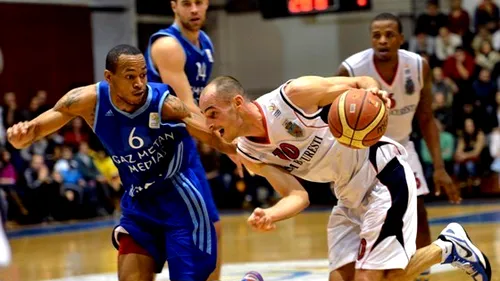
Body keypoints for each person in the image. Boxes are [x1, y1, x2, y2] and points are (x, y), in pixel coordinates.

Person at [199, 75, 491, 281]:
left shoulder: (293, 96)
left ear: (237, 103)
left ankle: (448, 248)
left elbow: (360, 83)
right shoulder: (249, 152)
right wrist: (270, 214)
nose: (209, 125)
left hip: (381, 174)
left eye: (212, 114)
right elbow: (298, 196)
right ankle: (450, 247)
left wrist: (375, 94)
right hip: (347, 194)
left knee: (371, 278)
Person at [6, 44, 257, 281]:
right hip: (139, 204)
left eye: (143, 75)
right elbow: (35, 130)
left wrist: (240, 150)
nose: (139, 83)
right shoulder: (87, 101)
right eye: (130, 76)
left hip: (179, 202)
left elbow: (208, 134)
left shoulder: (164, 104)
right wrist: (21, 137)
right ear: (109, 76)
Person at [336, 12, 461, 280]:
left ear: (401, 39)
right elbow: (332, 116)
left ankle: (421, 270)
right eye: (376, 35)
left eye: (389, 35)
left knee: (418, 213)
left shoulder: (418, 66)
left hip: (402, 147)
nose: (382, 40)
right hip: (362, 151)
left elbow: (426, 118)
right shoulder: (352, 68)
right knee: (362, 218)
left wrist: (439, 167)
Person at [144, 1, 223, 279]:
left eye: (199, 2)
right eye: (186, 3)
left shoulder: (206, 42)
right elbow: (187, 108)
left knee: (211, 228)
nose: (194, 9)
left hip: (182, 144)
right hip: (155, 148)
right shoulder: (168, 45)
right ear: (174, 5)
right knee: (154, 237)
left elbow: (200, 108)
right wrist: (229, 143)